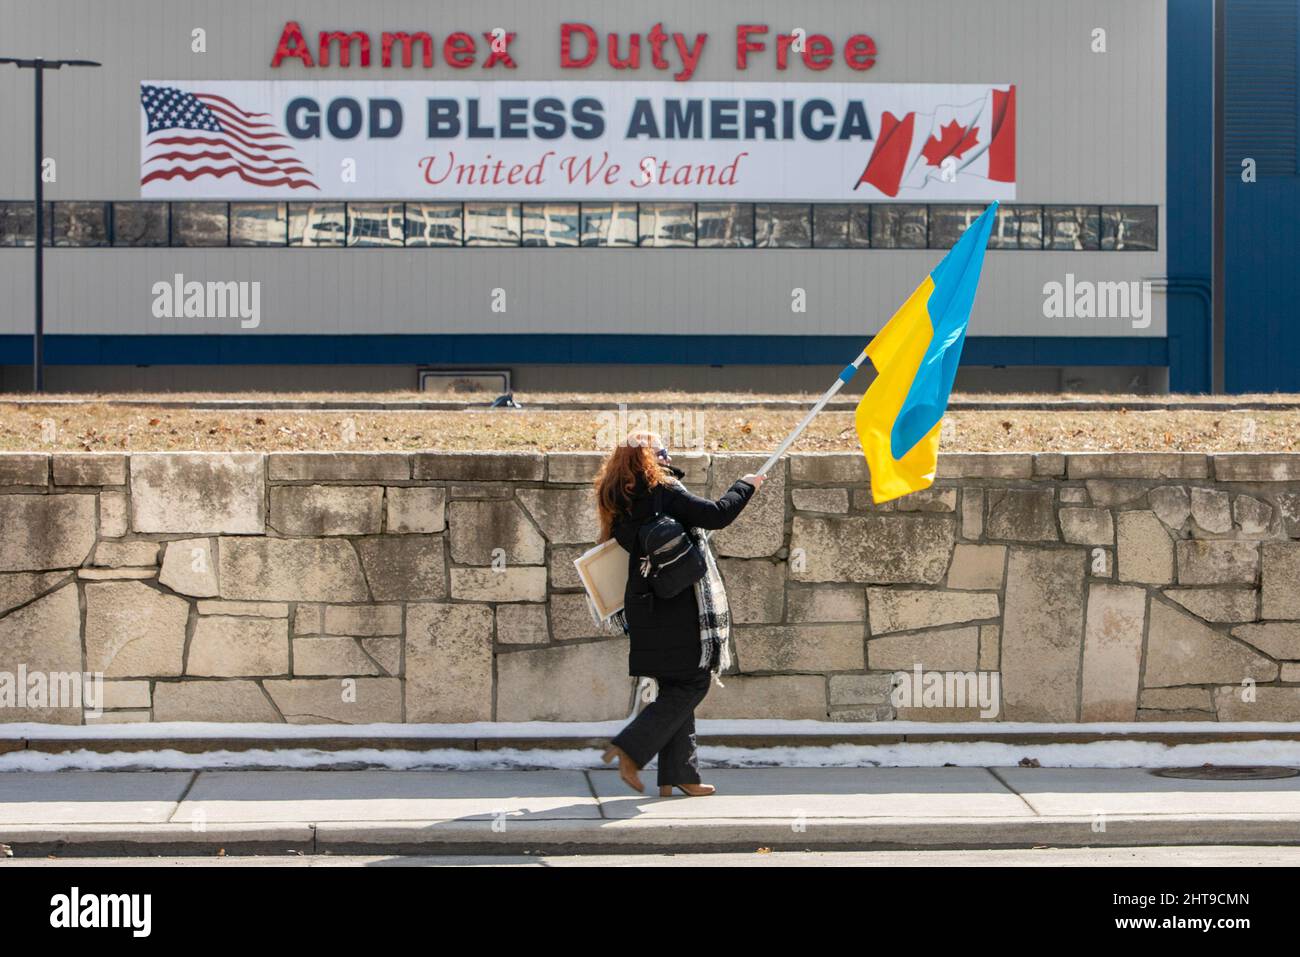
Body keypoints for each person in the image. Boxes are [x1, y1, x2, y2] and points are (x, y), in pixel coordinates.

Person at [592, 430, 764, 797]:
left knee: (675, 687)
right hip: (680, 610)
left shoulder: (620, 499)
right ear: (650, 460)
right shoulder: (663, 493)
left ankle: (680, 776)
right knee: (693, 682)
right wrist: (745, 486)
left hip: (646, 610)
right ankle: (631, 746)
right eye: (663, 452)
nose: (670, 458)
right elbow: (717, 515)